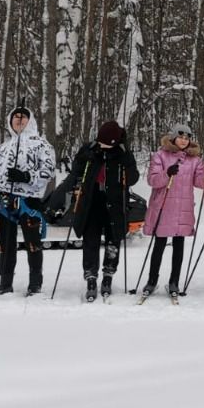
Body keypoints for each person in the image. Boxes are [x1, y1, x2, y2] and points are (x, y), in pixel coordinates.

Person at [48, 120, 140, 301]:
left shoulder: (123, 154)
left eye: (106, 144)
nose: (102, 146)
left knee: (113, 241)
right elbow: (73, 176)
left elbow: (133, 178)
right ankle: (91, 277)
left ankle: (108, 276)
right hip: (92, 201)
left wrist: (126, 161)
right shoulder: (89, 150)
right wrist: (54, 202)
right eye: (100, 142)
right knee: (90, 240)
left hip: (114, 202)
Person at [0, 101, 56, 296]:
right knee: (5, 244)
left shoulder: (41, 144)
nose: (19, 120)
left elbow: (48, 170)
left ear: (30, 120)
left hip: (29, 200)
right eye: (15, 117)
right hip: (4, 201)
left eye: (23, 117)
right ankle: (5, 282)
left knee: (33, 243)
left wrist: (27, 177)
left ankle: (35, 283)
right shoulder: (2, 148)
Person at [143, 122, 204, 298]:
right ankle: (152, 281)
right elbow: (152, 180)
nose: (183, 140)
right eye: (180, 137)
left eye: (187, 137)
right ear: (173, 137)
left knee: (179, 246)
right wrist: (167, 173)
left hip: (183, 209)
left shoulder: (194, 160)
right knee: (159, 245)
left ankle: (174, 281)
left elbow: (201, 183)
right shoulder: (160, 155)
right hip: (163, 207)